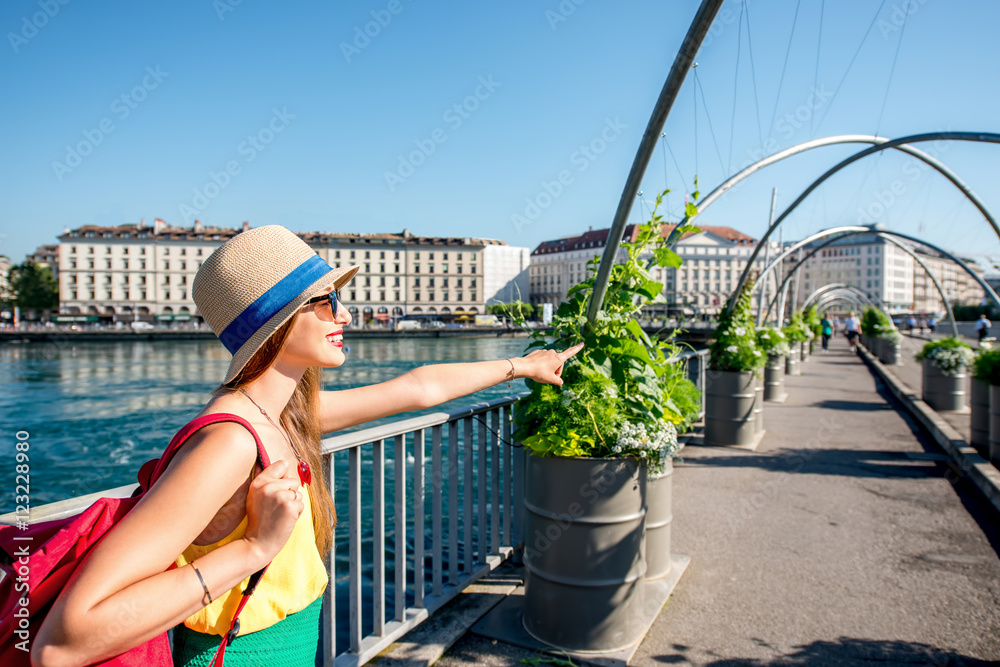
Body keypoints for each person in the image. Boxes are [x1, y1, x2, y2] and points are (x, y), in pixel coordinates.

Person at [32, 226, 581, 667]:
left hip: (292, 644)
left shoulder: (283, 416)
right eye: (323, 301)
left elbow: (416, 389)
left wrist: (522, 365)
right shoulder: (228, 443)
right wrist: (252, 549)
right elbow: (62, 642)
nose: (343, 314)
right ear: (274, 324)